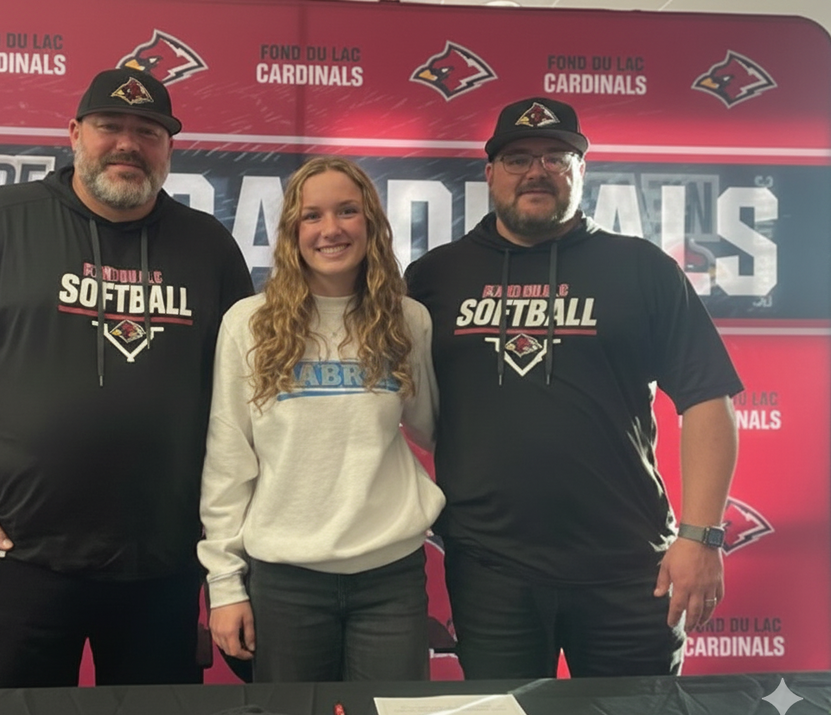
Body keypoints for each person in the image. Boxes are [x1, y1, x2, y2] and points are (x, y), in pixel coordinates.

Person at [0, 68, 254, 688]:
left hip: (163, 560)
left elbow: (246, 395)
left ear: (170, 148)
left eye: (148, 131)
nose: (127, 144)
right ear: (74, 134)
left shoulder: (209, 246)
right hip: (18, 554)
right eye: (109, 126)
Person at [405, 97, 742, 679]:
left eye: (556, 156)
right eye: (517, 158)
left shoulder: (641, 268)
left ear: (581, 171)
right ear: (489, 174)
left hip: (630, 566)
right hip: (492, 571)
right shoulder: (434, 277)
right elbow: (401, 404)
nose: (537, 171)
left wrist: (702, 536)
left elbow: (708, 398)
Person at [198, 157, 444, 682]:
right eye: (312, 216)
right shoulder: (249, 323)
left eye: (347, 211)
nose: (330, 229)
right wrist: (224, 583)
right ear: (291, 231)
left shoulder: (408, 320)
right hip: (286, 583)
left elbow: (431, 427)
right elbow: (227, 462)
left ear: (371, 224)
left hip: (390, 578)